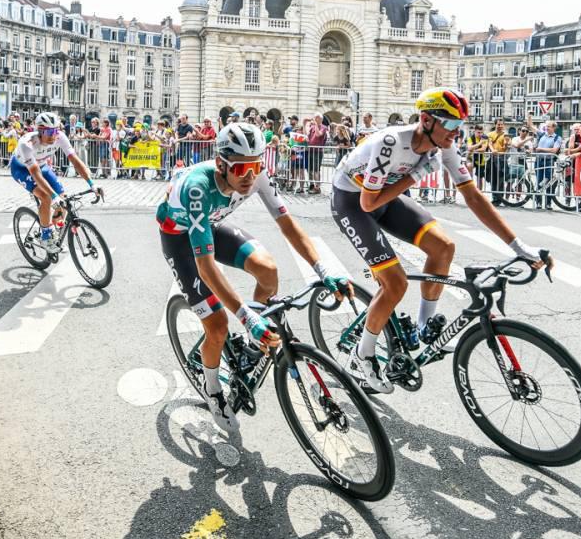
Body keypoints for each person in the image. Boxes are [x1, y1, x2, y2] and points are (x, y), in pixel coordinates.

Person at [329, 88, 548, 393]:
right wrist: (414, 178)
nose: (457, 134)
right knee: (395, 284)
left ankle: (423, 328)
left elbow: (472, 195)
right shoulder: (390, 142)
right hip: (354, 204)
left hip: (387, 198)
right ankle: (362, 354)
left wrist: (517, 245)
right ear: (427, 120)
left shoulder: (442, 146)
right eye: (453, 126)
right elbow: (368, 204)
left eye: (462, 127)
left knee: (443, 247)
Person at [156, 123, 350, 432]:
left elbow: (288, 225)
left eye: (257, 165)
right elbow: (205, 267)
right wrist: (245, 316)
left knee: (268, 269)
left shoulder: (255, 175)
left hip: (210, 224)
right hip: (179, 237)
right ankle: (213, 391)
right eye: (243, 167)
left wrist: (324, 269)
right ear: (222, 164)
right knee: (218, 326)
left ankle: (251, 345)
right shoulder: (198, 188)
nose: (250, 175)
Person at [9, 112, 99, 254]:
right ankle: (45, 237)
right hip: (22, 169)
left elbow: (75, 161)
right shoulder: (27, 144)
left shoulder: (60, 137)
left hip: (43, 166)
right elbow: (35, 174)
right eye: (49, 132)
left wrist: (92, 184)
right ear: (39, 131)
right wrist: (53, 196)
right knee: (46, 197)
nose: (53, 135)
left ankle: (50, 228)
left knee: (63, 200)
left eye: (56, 130)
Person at [533, 121, 563, 210]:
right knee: (539, 181)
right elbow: (531, 126)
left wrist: (540, 149)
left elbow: (554, 150)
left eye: (549, 126)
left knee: (548, 183)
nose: (547, 128)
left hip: (549, 162)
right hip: (538, 161)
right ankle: (538, 202)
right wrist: (529, 115)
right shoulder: (542, 134)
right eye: (546, 126)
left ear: (554, 128)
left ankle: (548, 203)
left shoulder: (557, 138)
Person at [306, 113, 328, 194]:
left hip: (318, 152)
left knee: (316, 170)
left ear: (320, 119)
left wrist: (315, 125)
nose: (314, 119)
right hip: (310, 151)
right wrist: (305, 124)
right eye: (314, 118)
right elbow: (307, 138)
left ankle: (317, 187)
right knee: (309, 169)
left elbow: (318, 135)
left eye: (316, 118)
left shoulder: (324, 127)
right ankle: (311, 185)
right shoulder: (312, 127)